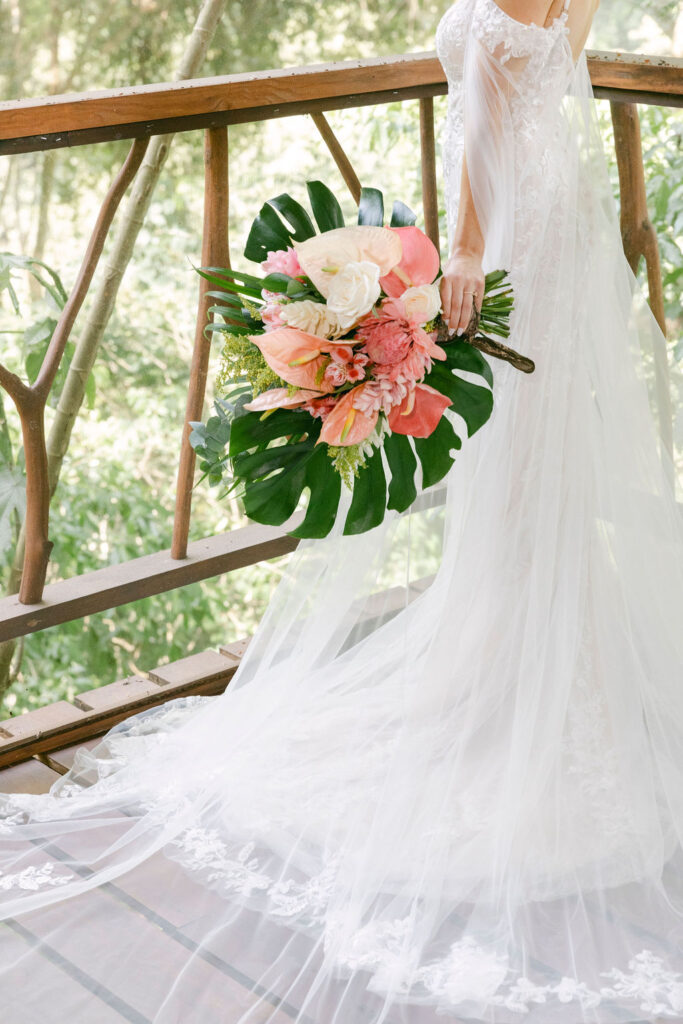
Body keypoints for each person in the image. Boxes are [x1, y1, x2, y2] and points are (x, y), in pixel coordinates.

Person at [2, 1, 682, 1021]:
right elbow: (543, 87)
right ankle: (524, 659)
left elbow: (492, 114)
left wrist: (459, 246)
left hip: (504, 220)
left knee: (517, 462)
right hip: (546, 211)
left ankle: (516, 673)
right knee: (527, 462)